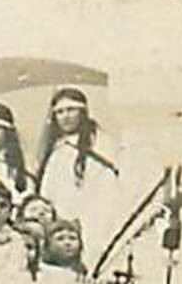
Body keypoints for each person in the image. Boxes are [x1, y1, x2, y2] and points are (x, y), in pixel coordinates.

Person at [35, 86, 119, 248]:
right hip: (61, 223)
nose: (65, 116)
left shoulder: (102, 144)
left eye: (71, 110)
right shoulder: (55, 150)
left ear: (83, 112)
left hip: (95, 218)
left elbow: (107, 189)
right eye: (60, 112)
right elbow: (48, 191)